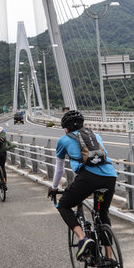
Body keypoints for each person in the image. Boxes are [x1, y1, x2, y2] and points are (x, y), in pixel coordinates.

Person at [46, 110, 117, 259]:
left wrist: (54, 187)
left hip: (88, 178)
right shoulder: (95, 136)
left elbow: (59, 168)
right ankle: (109, 257)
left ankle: (83, 238)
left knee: (64, 205)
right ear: (83, 124)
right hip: (110, 177)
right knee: (102, 214)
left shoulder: (63, 140)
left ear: (65, 128)